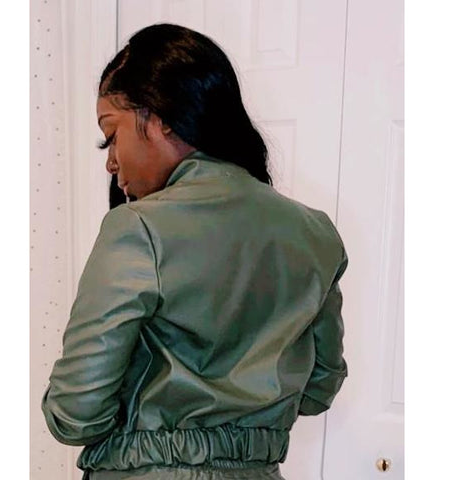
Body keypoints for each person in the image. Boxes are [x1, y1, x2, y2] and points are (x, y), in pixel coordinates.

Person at [41, 23, 349, 480]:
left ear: (162, 117)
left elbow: (75, 412)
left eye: (112, 135)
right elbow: (320, 386)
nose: (111, 161)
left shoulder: (138, 229)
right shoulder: (315, 233)